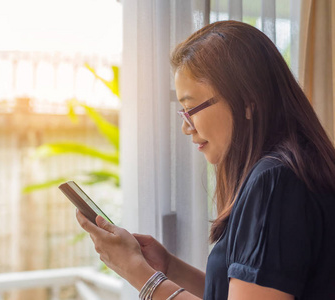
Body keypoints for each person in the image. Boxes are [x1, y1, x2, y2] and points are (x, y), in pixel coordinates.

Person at [75, 20, 335, 300]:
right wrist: (169, 267)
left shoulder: (275, 181)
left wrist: (138, 274)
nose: (187, 126)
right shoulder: (294, 168)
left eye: (191, 109)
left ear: (247, 101)